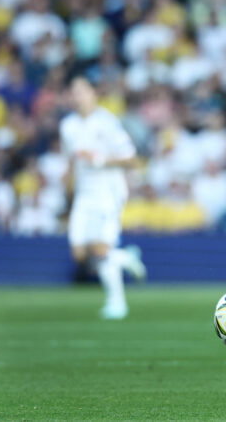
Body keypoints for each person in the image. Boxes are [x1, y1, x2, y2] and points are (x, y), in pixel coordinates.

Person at [60, 77, 146, 320]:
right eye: (73, 92)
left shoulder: (107, 122)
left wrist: (99, 159)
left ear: (93, 93)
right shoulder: (68, 126)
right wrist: (67, 191)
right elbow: (72, 161)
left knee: (99, 248)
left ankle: (117, 303)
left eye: (81, 91)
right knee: (79, 253)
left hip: (107, 191)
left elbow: (132, 159)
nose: (77, 96)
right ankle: (126, 257)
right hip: (83, 194)